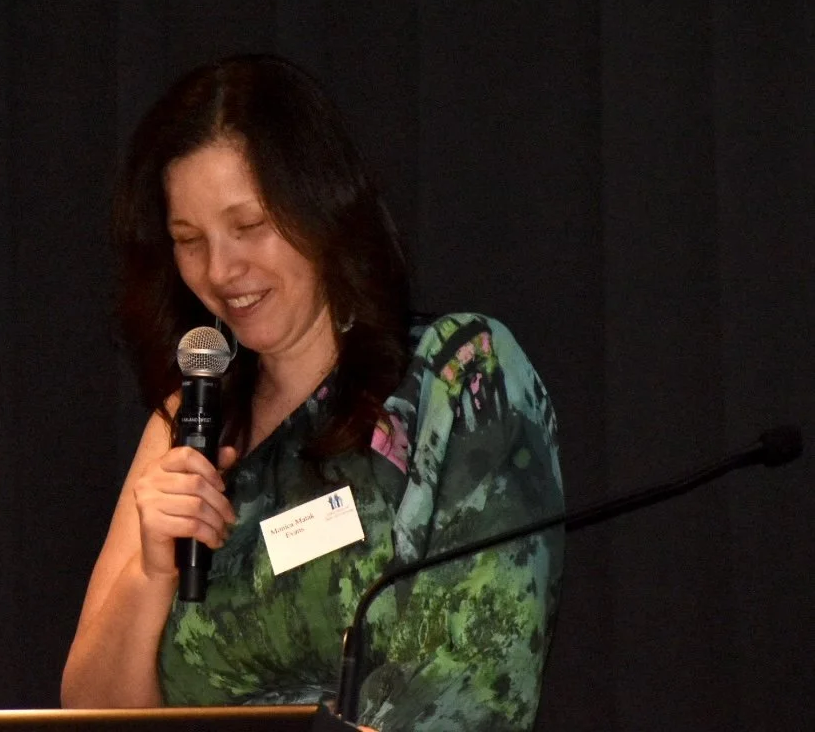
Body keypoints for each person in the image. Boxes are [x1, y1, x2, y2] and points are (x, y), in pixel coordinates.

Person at [61, 54, 563, 731]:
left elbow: (476, 687)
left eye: (250, 227)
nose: (221, 269)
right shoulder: (191, 421)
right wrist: (151, 574)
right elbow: (92, 717)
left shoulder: (456, 375)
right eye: (189, 240)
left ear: (321, 205)